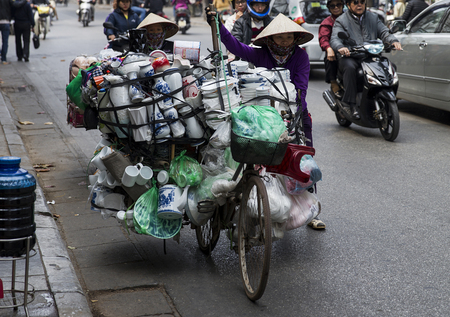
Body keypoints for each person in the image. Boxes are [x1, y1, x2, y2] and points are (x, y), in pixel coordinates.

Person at [206, 9, 326, 229]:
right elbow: (235, 46)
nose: (284, 41)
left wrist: (294, 115)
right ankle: (262, 201)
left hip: (294, 113)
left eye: (288, 37)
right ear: (270, 38)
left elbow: (301, 89)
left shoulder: (301, 56)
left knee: (302, 161)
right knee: (260, 159)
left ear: (295, 38)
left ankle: (312, 209)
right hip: (262, 116)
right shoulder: (260, 54)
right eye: (279, 37)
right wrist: (217, 25)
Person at [330, 0, 402, 120]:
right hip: (351, 56)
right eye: (355, 2)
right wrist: (341, 47)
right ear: (348, 5)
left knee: (391, 66)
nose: (359, 5)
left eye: (362, 1)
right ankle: (350, 104)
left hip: (369, 56)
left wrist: (393, 40)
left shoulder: (373, 17)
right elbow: (335, 38)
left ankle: (387, 98)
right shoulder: (341, 20)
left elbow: (384, 31)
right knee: (350, 68)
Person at [319, 0, 344, 97]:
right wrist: (328, 48)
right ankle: (333, 82)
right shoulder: (327, 22)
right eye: (332, 6)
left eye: (338, 5)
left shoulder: (351, 19)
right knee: (330, 56)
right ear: (329, 8)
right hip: (337, 52)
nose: (336, 8)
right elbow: (323, 39)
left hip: (353, 50)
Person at [0, 0, 13, 64]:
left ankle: (0, 52)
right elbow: (14, 5)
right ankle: (4, 58)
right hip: (5, 21)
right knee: (5, 41)